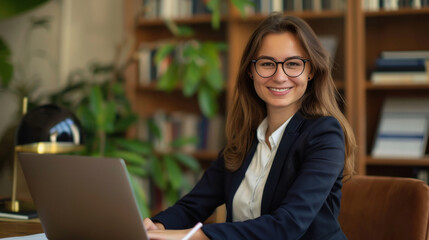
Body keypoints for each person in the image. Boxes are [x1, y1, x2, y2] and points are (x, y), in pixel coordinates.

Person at [143, 12, 356, 240]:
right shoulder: (245, 138)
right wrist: (156, 227)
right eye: (267, 64)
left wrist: (193, 236)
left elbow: (287, 226)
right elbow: (193, 206)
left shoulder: (324, 135)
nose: (280, 76)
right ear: (250, 70)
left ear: (311, 70)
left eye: (293, 64)